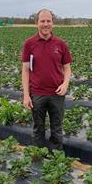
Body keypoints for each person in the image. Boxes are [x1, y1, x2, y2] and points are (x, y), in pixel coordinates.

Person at [21, 9, 72, 150]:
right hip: (37, 94)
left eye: (48, 21)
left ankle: (56, 158)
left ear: (53, 23)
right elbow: (25, 71)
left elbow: (67, 68)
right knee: (38, 129)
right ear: (37, 23)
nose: (45, 24)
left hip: (57, 94)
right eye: (42, 21)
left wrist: (65, 84)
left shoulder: (60, 44)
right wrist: (26, 95)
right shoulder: (29, 44)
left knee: (57, 129)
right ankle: (39, 157)